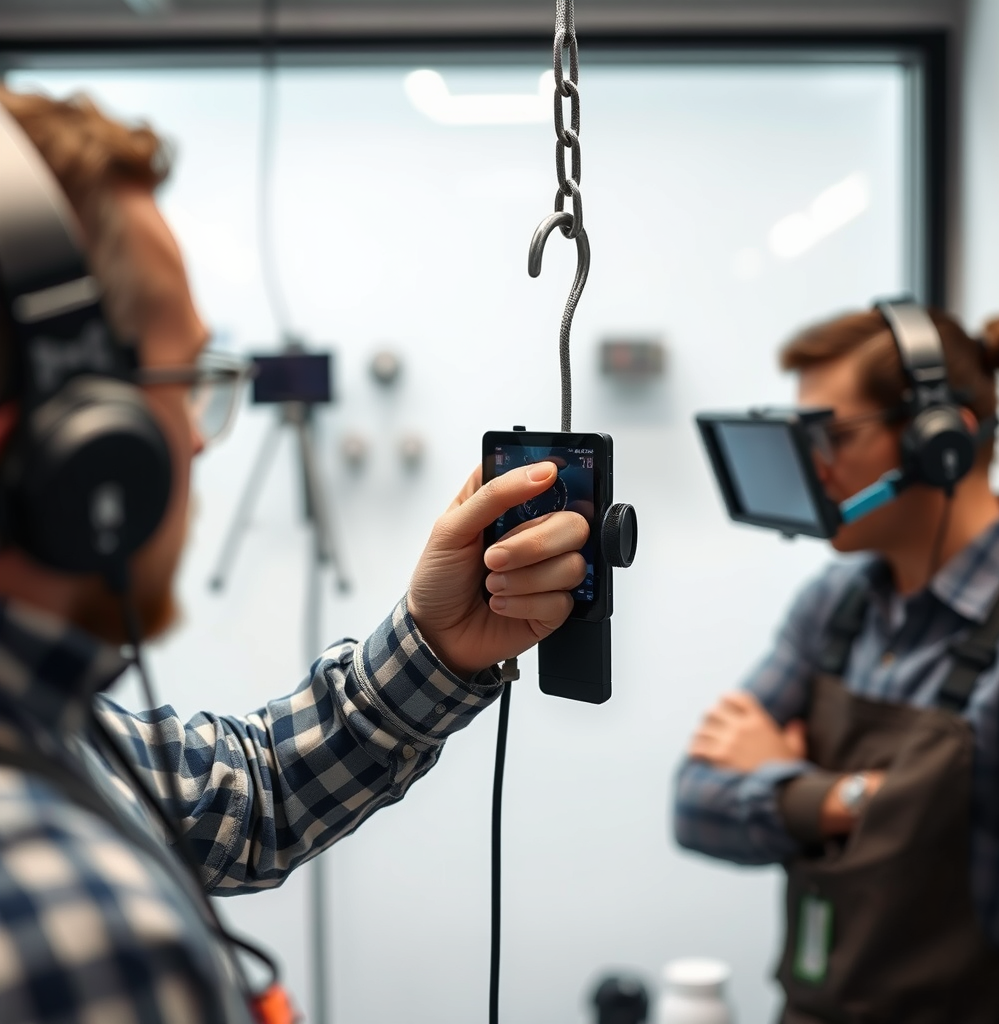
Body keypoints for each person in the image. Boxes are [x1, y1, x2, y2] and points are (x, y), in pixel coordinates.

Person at [0, 88, 591, 1022]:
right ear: (73, 434)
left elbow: (246, 795)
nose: (194, 444)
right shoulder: (76, 926)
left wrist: (436, 648)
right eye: (182, 383)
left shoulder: (54, 733)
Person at [674, 303, 999, 1023]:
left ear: (941, 446)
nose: (815, 470)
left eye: (830, 436)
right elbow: (695, 802)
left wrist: (787, 785)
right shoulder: (837, 602)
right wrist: (833, 800)